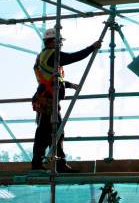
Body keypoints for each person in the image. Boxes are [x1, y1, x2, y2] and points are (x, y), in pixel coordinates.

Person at [31, 27, 102, 172]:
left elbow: (51, 77)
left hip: (46, 97)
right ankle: (56, 164)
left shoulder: (43, 55)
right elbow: (72, 57)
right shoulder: (52, 55)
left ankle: (40, 163)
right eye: (59, 42)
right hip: (49, 100)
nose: (61, 45)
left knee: (46, 132)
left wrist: (68, 85)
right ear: (52, 41)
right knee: (55, 132)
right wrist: (91, 48)